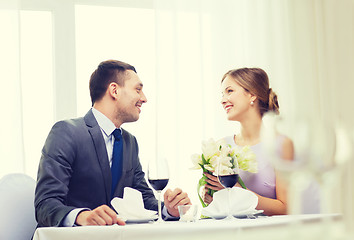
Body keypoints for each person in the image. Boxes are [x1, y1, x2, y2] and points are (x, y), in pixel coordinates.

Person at [35, 60, 191, 227]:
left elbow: (144, 200)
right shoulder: (66, 132)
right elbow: (46, 204)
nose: (144, 98)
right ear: (114, 90)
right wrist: (83, 216)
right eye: (138, 90)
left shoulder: (129, 141)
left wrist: (169, 209)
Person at [203, 67, 293, 216]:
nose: (223, 100)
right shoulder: (220, 146)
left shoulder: (281, 144)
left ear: (252, 94)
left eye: (229, 91)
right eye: (222, 94)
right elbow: (220, 208)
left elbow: (286, 209)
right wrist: (211, 197)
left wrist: (237, 192)